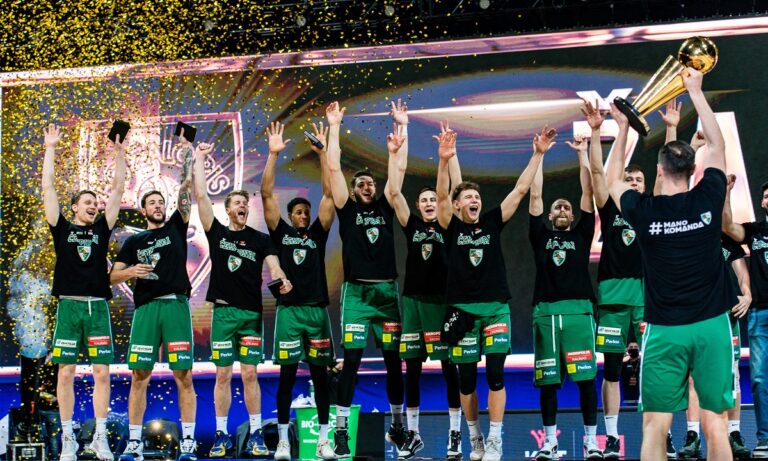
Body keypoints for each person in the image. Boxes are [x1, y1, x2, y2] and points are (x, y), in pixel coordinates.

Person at [608, 67, 737, 461]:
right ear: (694, 170)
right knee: (716, 424)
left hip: (665, 331)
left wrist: (623, 129)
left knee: (654, 426)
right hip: (712, 325)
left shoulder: (645, 211)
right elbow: (717, 144)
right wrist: (695, 91)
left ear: (660, 171)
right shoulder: (709, 196)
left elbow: (611, 181)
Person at [436, 124, 556, 461]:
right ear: (457, 206)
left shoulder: (491, 221)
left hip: (495, 309)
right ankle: (475, 437)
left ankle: (495, 440)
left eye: (477, 197)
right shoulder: (450, 225)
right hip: (461, 311)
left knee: (495, 375)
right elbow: (442, 196)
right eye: (468, 198)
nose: (474, 200)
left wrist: (538, 154)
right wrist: (443, 160)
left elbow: (520, 189)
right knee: (466, 380)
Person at [191, 139, 293, 458]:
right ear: (228, 209)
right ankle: (221, 435)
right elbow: (201, 195)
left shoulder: (260, 239)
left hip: (250, 315)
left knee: (250, 374)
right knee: (223, 374)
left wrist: (281, 277)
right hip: (223, 315)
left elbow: (274, 264)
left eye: (245, 203)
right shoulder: (217, 233)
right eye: (237, 203)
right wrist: (198, 158)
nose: (243, 206)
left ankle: (256, 434)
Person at [325, 100, 408, 457]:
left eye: (370, 183)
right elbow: (332, 166)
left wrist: (401, 130)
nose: (367, 187)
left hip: (387, 294)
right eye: (360, 183)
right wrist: (334, 127)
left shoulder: (387, 205)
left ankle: (398, 426)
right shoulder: (347, 210)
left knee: (393, 363)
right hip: (357, 295)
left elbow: (398, 173)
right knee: (352, 363)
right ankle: (342, 430)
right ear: (353, 189)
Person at [111, 129, 199, 461]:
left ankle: (188, 442)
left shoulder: (177, 225)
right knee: (139, 375)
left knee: (184, 375)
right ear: (143, 209)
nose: (159, 206)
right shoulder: (133, 242)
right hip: (147, 309)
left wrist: (187, 152)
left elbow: (186, 188)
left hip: (175, 305)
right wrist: (131, 271)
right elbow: (112, 276)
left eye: (161, 202)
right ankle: (134, 443)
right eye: (153, 203)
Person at [42, 123, 126, 461]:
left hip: (97, 308)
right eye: (87, 202)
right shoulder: (61, 227)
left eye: (95, 202)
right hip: (69, 308)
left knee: (102, 372)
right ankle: (68, 441)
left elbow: (118, 189)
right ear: (75, 207)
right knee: (65, 373)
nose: (94, 205)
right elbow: (48, 187)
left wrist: (119, 153)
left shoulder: (102, 229)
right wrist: (50, 148)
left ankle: (100, 438)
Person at [387, 121, 468, 460]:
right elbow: (393, 194)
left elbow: (452, 190)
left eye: (433, 198)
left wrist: (446, 158)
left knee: (450, 369)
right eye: (423, 200)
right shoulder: (412, 225)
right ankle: (413, 434)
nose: (429, 202)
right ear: (418, 206)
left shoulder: (450, 225)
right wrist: (395, 153)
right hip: (413, 302)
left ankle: (455, 434)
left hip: (441, 303)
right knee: (413, 369)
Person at [529, 103, 601, 460]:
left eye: (566, 208)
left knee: (586, 380)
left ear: (572, 217)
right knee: (549, 383)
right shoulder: (540, 235)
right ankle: (550, 443)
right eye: (557, 207)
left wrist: (583, 155)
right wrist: (540, 155)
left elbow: (588, 194)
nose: (561, 210)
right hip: (545, 313)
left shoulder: (581, 235)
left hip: (578, 312)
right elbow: (535, 195)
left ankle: (591, 443)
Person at [260, 121, 335, 460]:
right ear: (290, 216)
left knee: (321, 377)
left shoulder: (318, 233)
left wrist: (322, 155)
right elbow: (266, 195)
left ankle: (323, 441)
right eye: (299, 212)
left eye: (307, 212)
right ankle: (283, 442)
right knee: (287, 377)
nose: (304, 215)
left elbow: (330, 196)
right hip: (289, 312)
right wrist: (273, 155)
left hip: (316, 311)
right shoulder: (281, 233)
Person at [586, 95, 645, 458]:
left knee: (654, 368)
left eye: (639, 180)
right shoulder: (610, 208)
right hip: (611, 296)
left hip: (646, 298)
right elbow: (598, 173)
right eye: (629, 179)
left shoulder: (652, 209)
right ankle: (610, 437)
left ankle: (661, 432)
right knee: (610, 370)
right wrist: (600, 133)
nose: (634, 183)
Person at [722, 157, 768, 460]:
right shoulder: (756, 231)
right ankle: (765, 438)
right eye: (766, 195)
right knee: (760, 379)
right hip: (760, 313)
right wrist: (726, 192)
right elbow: (727, 226)